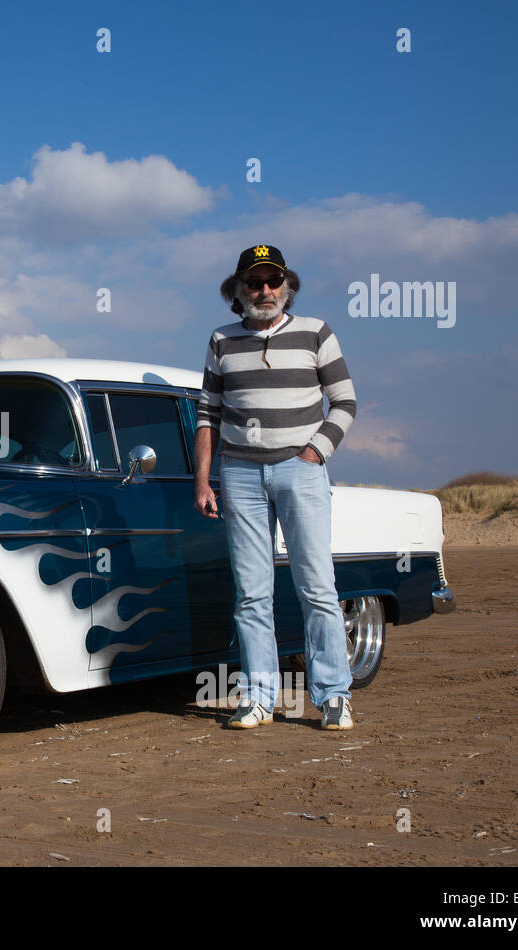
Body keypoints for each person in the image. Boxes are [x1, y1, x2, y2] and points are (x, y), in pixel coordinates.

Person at [193, 244, 357, 731]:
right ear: (237, 290)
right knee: (250, 593)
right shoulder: (221, 340)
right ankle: (260, 698)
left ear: (287, 287)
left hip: (299, 468)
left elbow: (344, 401)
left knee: (317, 586)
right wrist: (204, 480)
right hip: (238, 473)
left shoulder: (316, 332)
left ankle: (333, 696)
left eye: (273, 281)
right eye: (253, 282)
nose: (264, 291)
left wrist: (315, 452)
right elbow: (208, 414)